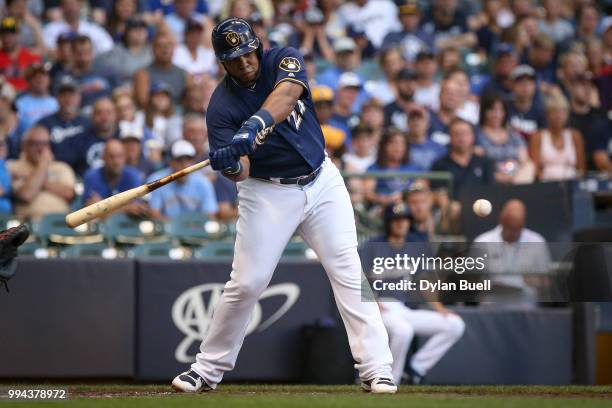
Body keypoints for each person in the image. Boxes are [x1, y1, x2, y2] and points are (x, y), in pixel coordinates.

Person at [171, 18, 397, 394]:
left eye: (246, 53)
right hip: (267, 193)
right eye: (233, 58)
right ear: (221, 63)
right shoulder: (221, 108)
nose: (243, 62)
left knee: (348, 270)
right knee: (247, 283)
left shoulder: (283, 58)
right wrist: (230, 161)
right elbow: (241, 172)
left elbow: (288, 94)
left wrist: (255, 125)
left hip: (322, 180)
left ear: (256, 47)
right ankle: (206, 369)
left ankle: (377, 368)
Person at [367, 203, 465, 384]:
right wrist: (373, 304)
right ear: (388, 222)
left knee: (454, 324)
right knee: (404, 331)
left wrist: (439, 308)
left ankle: (416, 368)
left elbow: (423, 282)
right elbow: (358, 279)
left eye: (404, 219)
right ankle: (390, 379)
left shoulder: (414, 246)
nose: (400, 224)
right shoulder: (374, 245)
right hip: (380, 307)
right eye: (396, 220)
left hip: (403, 309)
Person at [473, 199, 552, 305]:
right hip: (491, 306)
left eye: (517, 229)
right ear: (502, 221)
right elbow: (470, 281)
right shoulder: (482, 241)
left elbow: (547, 282)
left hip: (526, 307)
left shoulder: (537, 241)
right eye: (510, 228)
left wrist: (534, 281)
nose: (514, 233)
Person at [6, 126, 75, 220]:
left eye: (45, 144)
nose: (41, 149)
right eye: (35, 144)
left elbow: (69, 194)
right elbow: (26, 195)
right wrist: (43, 164)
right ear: (24, 145)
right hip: (28, 223)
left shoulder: (61, 167)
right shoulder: (12, 166)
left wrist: (33, 179)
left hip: (61, 222)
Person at [147, 140, 218, 220]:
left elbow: (210, 216)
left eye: (188, 160)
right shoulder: (158, 180)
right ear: (171, 162)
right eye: (179, 161)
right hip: (165, 230)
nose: (184, 165)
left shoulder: (204, 182)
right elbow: (154, 214)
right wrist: (177, 226)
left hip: (196, 230)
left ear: (193, 163)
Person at [82, 139, 151, 218]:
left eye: (119, 156)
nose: (116, 161)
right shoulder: (92, 176)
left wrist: (103, 208)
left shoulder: (133, 176)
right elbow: (90, 212)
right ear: (103, 157)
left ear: (125, 157)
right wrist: (126, 209)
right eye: (111, 157)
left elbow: (136, 209)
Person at [476, 93, 535, 184]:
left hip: (516, 179)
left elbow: (524, 160)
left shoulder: (513, 135)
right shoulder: (476, 135)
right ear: (484, 111)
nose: (497, 114)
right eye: (492, 109)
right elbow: (477, 163)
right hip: (491, 179)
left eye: (500, 110)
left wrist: (513, 177)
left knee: (530, 166)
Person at [431, 118, 495, 200]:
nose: (461, 138)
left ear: (473, 136)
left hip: (481, 208)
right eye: (456, 134)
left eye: (465, 133)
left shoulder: (485, 163)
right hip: (452, 209)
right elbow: (437, 192)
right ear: (450, 137)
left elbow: (491, 191)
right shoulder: (439, 165)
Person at [37, 75, 90, 170]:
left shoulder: (88, 122)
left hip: (84, 171)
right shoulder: (44, 124)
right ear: (56, 98)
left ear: (79, 97)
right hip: (55, 171)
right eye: (63, 95)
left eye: (72, 94)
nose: (68, 99)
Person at [529, 93, 586, 181]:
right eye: (554, 112)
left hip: (572, 183)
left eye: (562, 112)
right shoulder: (538, 136)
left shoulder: (575, 136)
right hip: (546, 184)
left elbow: (581, 168)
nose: (558, 116)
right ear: (547, 115)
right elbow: (534, 168)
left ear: (567, 115)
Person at [62, 35, 119, 113]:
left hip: (108, 112)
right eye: (80, 53)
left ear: (92, 52)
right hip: (80, 114)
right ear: (72, 53)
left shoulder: (107, 71)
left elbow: (119, 91)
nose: (84, 57)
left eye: (87, 52)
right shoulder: (65, 76)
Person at [568, 72, 612, 173]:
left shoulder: (602, 114)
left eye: (590, 85)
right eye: (582, 85)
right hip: (574, 169)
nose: (587, 89)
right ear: (571, 88)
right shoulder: (565, 117)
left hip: (601, 169)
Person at [364, 128, 420, 207]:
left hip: (410, 207)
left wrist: (404, 196)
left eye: (402, 144)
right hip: (384, 209)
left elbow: (422, 187)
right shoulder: (374, 168)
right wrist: (383, 199)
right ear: (384, 146)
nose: (398, 148)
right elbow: (368, 193)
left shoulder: (413, 167)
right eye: (393, 143)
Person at [134, 32, 190, 108]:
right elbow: (143, 103)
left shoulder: (183, 73)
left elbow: (191, 100)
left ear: (174, 49)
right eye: (160, 46)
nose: (165, 49)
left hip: (180, 115)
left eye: (168, 45)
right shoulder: (143, 74)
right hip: (153, 115)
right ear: (153, 49)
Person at [42, 0, 113, 56]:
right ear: (62, 7)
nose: (70, 8)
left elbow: (107, 48)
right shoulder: (51, 29)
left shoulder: (93, 29)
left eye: (73, 4)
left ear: (80, 5)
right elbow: (47, 50)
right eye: (67, 5)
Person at [98, 17, 153, 85]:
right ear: (126, 33)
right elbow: (114, 74)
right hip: (123, 88)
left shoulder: (153, 50)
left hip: (150, 87)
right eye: (134, 29)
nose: (139, 33)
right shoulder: (116, 51)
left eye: (142, 29)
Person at [0, 16, 41, 92]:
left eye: (11, 33)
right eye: (4, 33)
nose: (7, 37)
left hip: (26, 98)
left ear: (18, 34)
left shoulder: (32, 58)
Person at [506, 64, 546, 141]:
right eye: (520, 82)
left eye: (529, 82)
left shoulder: (542, 111)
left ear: (535, 86)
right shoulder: (504, 108)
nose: (525, 85)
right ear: (512, 85)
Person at [15, 63, 58, 130]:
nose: (39, 79)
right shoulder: (19, 104)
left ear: (49, 80)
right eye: (34, 76)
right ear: (28, 81)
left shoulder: (57, 102)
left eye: (43, 75)